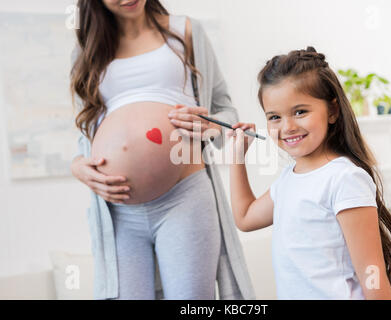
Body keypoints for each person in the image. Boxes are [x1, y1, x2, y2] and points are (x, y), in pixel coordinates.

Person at [69, 0, 255, 300]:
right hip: (117, 211)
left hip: (185, 198)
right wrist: (77, 165)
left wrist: (213, 127)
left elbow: (225, 110)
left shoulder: (185, 31)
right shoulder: (87, 50)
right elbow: (83, 131)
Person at [226, 46, 391, 299]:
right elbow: (244, 217)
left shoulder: (344, 178)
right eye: (274, 117)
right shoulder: (289, 178)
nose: (287, 126)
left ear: (332, 111)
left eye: (300, 112)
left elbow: (372, 275)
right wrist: (236, 157)